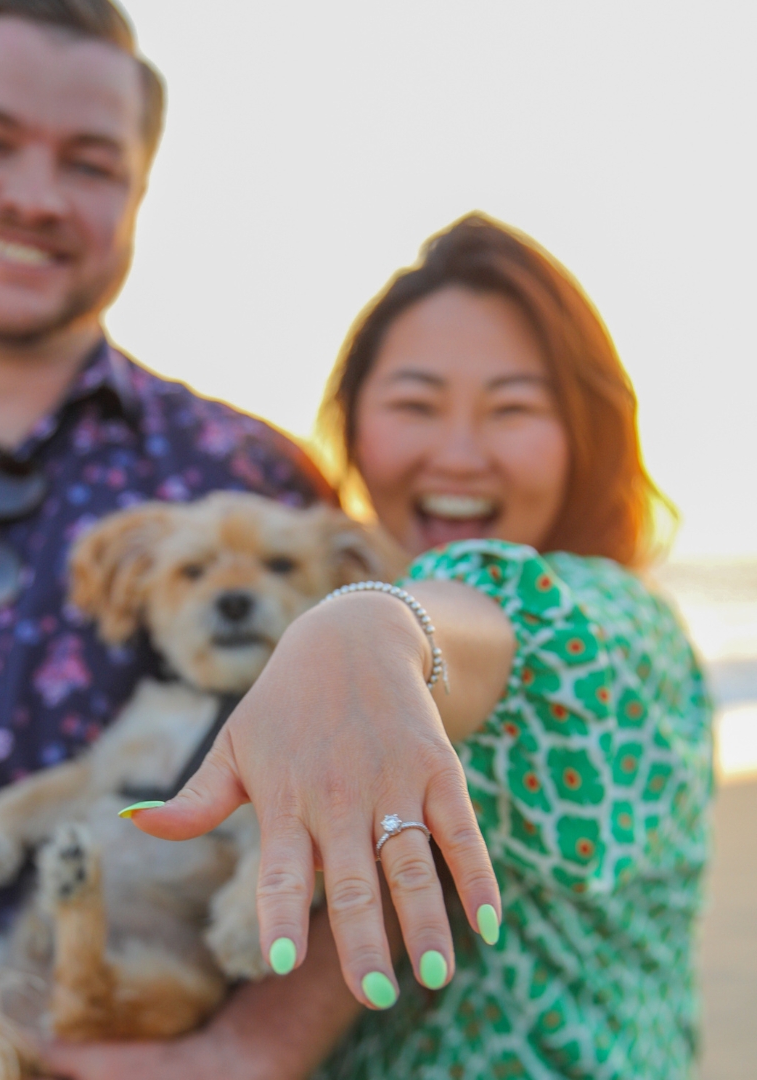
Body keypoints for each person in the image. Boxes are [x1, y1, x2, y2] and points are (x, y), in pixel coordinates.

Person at [0, 3, 500, 1079]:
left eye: (89, 161)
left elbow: (369, 776)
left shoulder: (254, 476)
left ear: (139, 191)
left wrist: (245, 1056)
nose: (33, 195)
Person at [128, 214, 713, 1078]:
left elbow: (516, 624)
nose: (459, 453)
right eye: (415, 404)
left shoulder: (624, 634)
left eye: (512, 408)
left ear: (587, 432)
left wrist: (370, 625)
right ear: (353, 426)